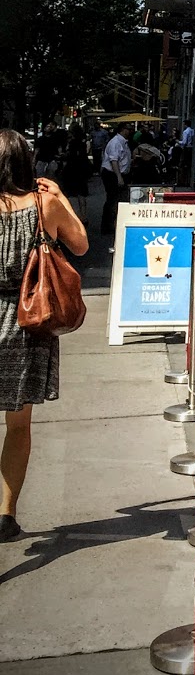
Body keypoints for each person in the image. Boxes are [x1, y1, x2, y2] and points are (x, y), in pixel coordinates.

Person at [0, 129, 88, 541]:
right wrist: (62, 198)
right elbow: (82, 245)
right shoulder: (43, 203)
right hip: (26, 321)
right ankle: (5, 514)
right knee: (18, 425)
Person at [100, 124, 132, 236]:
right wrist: (119, 176)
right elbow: (114, 161)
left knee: (118, 199)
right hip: (112, 174)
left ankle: (114, 223)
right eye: (128, 129)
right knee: (112, 199)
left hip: (119, 173)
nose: (130, 131)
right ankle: (107, 225)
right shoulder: (116, 142)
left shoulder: (123, 142)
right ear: (123, 130)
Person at [59, 127, 92, 220]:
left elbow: (69, 156)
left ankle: (71, 215)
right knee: (81, 194)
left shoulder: (72, 144)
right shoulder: (82, 143)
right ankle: (83, 215)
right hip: (82, 170)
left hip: (72, 170)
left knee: (68, 193)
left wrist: (63, 155)